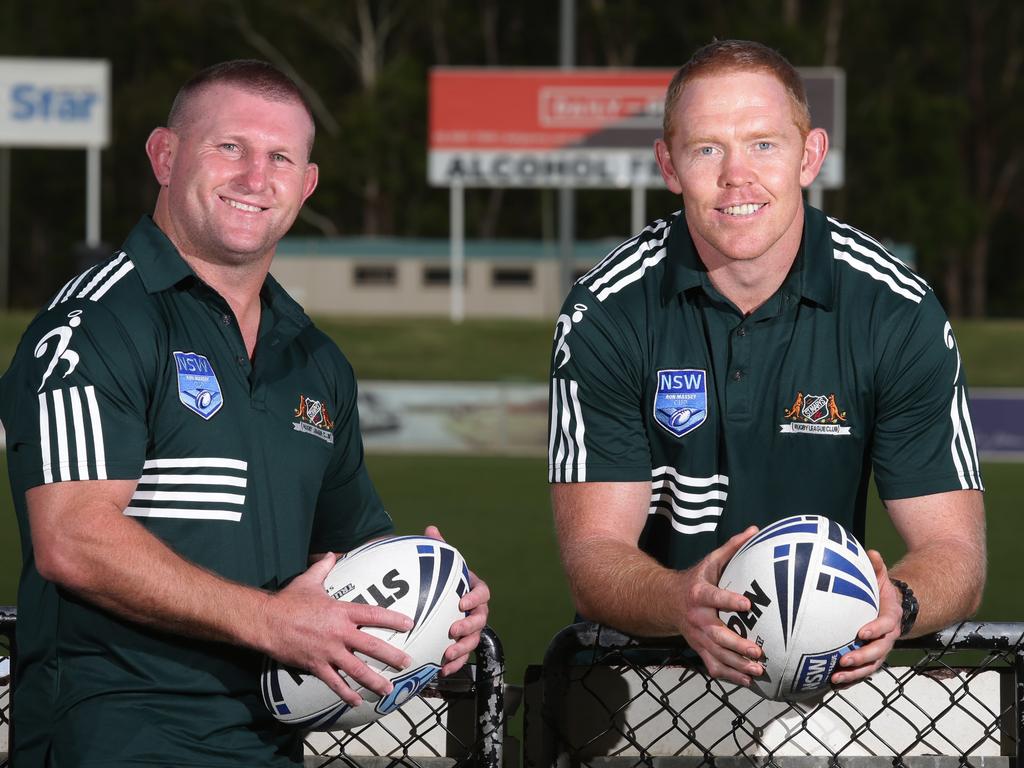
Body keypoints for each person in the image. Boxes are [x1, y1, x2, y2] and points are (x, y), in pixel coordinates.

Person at [0, 60, 490, 767]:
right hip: (116, 743)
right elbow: (72, 540)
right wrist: (271, 622)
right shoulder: (94, 323)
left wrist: (442, 601)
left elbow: (353, 548)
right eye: (229, 147)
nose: (256, 177)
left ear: (307, 184)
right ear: (165, 156)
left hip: (270, 750)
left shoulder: (315, 358)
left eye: (280, 157)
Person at [547, 40, 985, 690]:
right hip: (645, 685)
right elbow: (593, 556)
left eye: (763, 144)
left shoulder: (895, 311)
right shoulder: (605, 314)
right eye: (706, 149)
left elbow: (955, 553)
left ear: (810, 156)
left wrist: (900, 602)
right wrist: (681, 601)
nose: (736, 175)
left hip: (828, 684)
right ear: (668, 166)